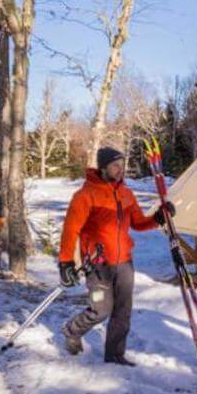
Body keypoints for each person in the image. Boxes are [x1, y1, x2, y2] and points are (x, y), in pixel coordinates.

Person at [58, 146, 174, 366]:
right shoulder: (86, 195)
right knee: (101, 310)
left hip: (124, 263)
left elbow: (139, 223)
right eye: (115, 166)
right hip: (98, 265)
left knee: (123, 311)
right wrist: (65, 261)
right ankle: (72, 330)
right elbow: (70, 229)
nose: (120, 170)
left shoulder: (126, 193)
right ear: (103, 168)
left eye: (122, 165)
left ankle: (115, 355)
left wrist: (158, 217)